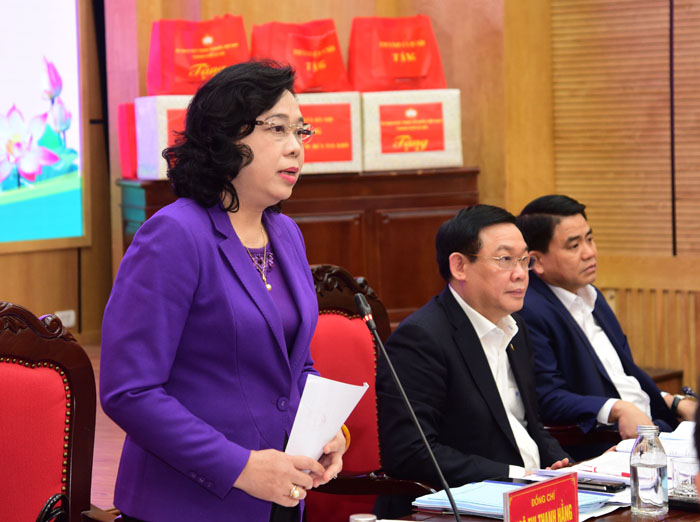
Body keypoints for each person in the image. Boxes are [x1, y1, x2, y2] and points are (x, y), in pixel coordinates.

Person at [100, 60, 346, 522]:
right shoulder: (174, 235)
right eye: (278, 129)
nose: (296, 146)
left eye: (301, 131)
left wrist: (327, 432)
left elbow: (294, 366)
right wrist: (241, 468)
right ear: (226, 137)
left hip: (281, 497)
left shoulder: (286, 234)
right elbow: (129, 391)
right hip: (186, 505)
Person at [375, 204, 570, 518]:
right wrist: (515, 475)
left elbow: (527, 426)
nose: (521, 273)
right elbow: (410, 452)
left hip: (530, 498)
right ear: (459, 266)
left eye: (525, 260)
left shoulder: (516, 329)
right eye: (505, 259)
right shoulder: (421, 339)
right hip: (458, 508)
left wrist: (564, 468)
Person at [516, 194, 697, 460]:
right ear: (536, 261)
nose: (590, 252)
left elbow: (621, 377)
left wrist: (674, 401)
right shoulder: (530, 310)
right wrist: (617, 408)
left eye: (589, 239)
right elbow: (547, 398)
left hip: (658, 430)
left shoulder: (592, 296)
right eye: (574, 245)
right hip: (607, 445)